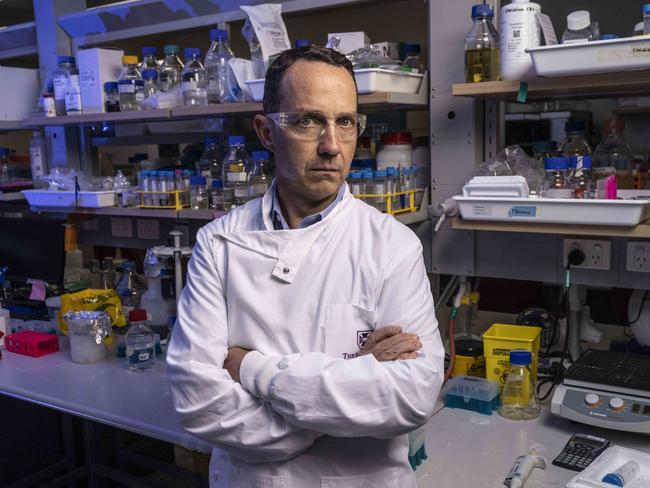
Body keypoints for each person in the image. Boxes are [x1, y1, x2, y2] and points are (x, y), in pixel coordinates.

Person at [167, 45, 445, 488]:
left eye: (346, 122)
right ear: (266, 131)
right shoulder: (219, 243)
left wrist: (250, 369)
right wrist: (345, 389)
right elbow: (197, 402)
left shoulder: (392, 246)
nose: (332, 146)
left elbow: (411, 397)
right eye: (308, 121)